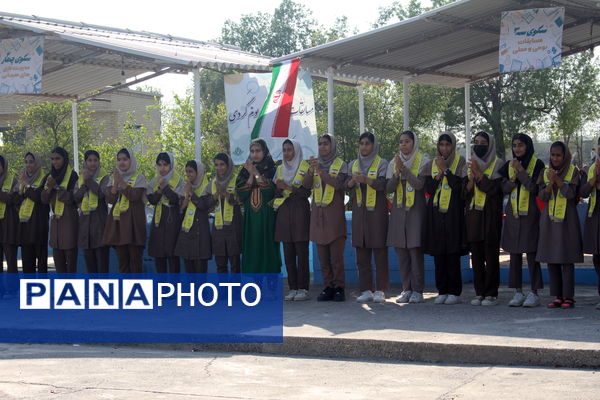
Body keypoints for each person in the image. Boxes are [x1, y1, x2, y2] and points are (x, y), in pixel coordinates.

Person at [499, 134, 545, 307]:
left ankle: (534, 292)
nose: (517, 148)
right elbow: (504, 188)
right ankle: (517, 292)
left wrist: (521, 172)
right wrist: (513, 177)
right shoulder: (508, 165)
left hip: (530, 215)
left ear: (528, 146)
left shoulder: (537, 164)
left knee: (532, 254)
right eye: (514, 145)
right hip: (513, 215)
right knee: (514, 254)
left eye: (521, 145)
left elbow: (534, 188)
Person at [423, 132, 467, 305]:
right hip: (436, 214)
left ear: (453, 146)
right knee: (439, 253)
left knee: (452, 253)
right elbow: (429, 189)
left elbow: (459, 188)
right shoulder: (432, 163)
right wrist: (438, 175)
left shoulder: (460, 162)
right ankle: (442, 290)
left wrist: (446, 171)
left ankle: (454, 291)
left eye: (447, 145)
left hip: (453, 213)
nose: (444, 148)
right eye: (441, 145)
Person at [537, 141, 582, 309]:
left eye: (559, 155)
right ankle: (557, 296)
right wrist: (550, 183)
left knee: (567, 258)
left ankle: (568, 296)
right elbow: (542, 197)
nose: (555, 158)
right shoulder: (545, 172)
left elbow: (571, 195)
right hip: (549, 220)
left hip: (567, 220)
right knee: (552, 258)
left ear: (565, 156)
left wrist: (558, 181)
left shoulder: (573, 171)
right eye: (553, 155)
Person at [303, 134, 348, 302]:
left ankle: (339, 287)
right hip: (318, 216)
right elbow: (306, 185)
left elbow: (339, 184)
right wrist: (311, 171)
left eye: (326, 144)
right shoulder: (315, 164)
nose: (322, 147)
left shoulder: (341, 164)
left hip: (334, 217)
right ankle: (328, 286)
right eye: (320, 144)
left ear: (332, 146)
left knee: (336, 257)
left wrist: (321, 172)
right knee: (322, 257)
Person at [386, 130, 429, 304]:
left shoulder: (423, 160)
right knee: (402, 253)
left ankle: (418, 290)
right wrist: (397, 173)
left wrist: (404, 170)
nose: (403, 145)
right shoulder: (393, 162)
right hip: (398, 212)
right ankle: (406, 289)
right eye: (401, 142)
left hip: (415, 211)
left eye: (407, 141)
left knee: (415, 251)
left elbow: (419, 185)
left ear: (414, 143)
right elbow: (388, 189)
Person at [346, 132, 389, 303]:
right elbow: (345, 186)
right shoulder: (353, 164)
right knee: (361, 253)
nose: (364, 147)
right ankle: (366, 289)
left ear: (373, 145)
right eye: (361, 143)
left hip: (377, 213)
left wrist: (366, 180)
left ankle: (380, 290)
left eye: (367, 143)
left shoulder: (382, 163)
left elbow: (383, 185)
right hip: (359, 213)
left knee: (379, 252)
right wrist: (352, 181)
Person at [464, 132, 503, 306]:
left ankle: (491, 293)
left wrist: (479, 174)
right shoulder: (470, 165)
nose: (479, 145)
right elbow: (464, 194)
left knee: (491, 256)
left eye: (483, 142)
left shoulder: (498, 164)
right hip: (474, 216)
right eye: (476, 142)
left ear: (490, 145)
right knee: (477, 257)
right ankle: (479, 292)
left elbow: (493, 189)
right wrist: (471, 181)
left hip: (490, 216)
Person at [236, 139, 281, 273]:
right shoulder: (244, 172)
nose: (255, 154)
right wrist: (251, 174)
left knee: (268, 247)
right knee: (253, 246)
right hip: (250, 218)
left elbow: (269, 192)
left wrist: (256, 173)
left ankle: (271, 281)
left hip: (267, 216)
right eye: (252, 151)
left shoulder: (273, 169)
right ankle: (256, 282)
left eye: (258, 151)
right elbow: (242, 193)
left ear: (264, 151)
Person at [273, 139, 311, 301]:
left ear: (296, 151)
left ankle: (303, 288)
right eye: (284, 150)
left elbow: (306, 193)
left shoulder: (305, 167)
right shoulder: (279, 169)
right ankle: (293, 288)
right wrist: (278, 188)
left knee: (301, 253)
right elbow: (276, 194)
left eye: (290, 149)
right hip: (284, 213)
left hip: (300, 212)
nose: (287, 153)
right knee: (288, 254)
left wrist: (287, 187)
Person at [103, 148, 147, 273]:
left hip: (133, 225)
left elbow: (134, 196)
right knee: (122, 263)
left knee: (135, 262)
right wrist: (115, 185)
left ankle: (136, 285)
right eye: (119, 159)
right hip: (119, 225)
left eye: (125, 159)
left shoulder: (139, 177)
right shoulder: (114, 178)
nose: (121, 162)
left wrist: (121, 182)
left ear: (131, 161)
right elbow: (110, 200)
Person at [41, 147, 79, 273]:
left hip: (69, 220)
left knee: (71, 261)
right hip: (56, 222)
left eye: (57, 158)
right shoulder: (49, 176)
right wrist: (49, 188)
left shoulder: (73, 176)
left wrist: (56, 187)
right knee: (58, 261)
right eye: (52, 159)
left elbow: (73, 199)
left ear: (64, 159)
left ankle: (71, 285)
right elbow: (43, 199)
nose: (55, 162)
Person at [74, 150, 110, 273]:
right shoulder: (80, 178)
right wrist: (85, 183)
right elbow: (75, 198)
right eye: (89, 160)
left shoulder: (104, 177)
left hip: (100, 225)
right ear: (85, 162)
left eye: (95, 160)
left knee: (102, 266)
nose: (92, 163)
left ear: (99, 162)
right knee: (90, 267)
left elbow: (101, 194)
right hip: (85, 227)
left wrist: (89, 180)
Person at [147, 152, 183, 273]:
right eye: (159, 165)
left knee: (173, 257)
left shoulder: (178, 180)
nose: (162, 168)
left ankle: (174, 285)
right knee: (159, 256)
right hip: (158, 222)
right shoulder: (154, 180)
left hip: (172, 221)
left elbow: (175, 200)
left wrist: (165, 187)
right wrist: (160, 189)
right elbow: (152, 200)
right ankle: (161, 284)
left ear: (171, 165)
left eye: (165, 165)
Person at [174, 160, 212, 273]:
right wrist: (186, 195)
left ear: (198, 172)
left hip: (200, 233)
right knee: (189, 271)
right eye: (186, 171)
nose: (188, 174)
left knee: (200, 271)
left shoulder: (207, 187)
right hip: (187, 233)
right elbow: (181, 208)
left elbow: (203, 206)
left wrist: (191, 193)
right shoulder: (187, 187)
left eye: (191, 171)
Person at [208, 154, 242, 274]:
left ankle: (235, 287)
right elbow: (208, 205)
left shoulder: (237, 179)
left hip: (234, 227)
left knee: (235, 266)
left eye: (222, 164)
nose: (219, 168)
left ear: (228, 165)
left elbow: (240, 200)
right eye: (216, 165)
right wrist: (216, 194)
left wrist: (224, 192)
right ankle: (223, 287)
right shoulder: (213, 182)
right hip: (218, 229)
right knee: (220, 266)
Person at [16, 152, 49, 273]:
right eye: (26, 162)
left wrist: (27, 185)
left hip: (39, 224)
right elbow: (17, 200)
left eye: (31, 162)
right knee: (27, 262)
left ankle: (42, 284)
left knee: (41, 263)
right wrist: (20, 188)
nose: (28, 165)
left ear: (37, 163)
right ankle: (29, 284)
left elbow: (40, 198)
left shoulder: (45, 177)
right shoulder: (23, 178)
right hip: (25, 225)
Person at [579, 137, 600, 310]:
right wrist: (593, 179)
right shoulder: (593, 167)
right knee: (597, 258)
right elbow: (583, 192)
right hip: (595, 218)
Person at [0, 156, 19, 274]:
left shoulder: (13, 180)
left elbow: (13, 199)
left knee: (11, 260)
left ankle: (13, 284)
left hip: (8, 225)